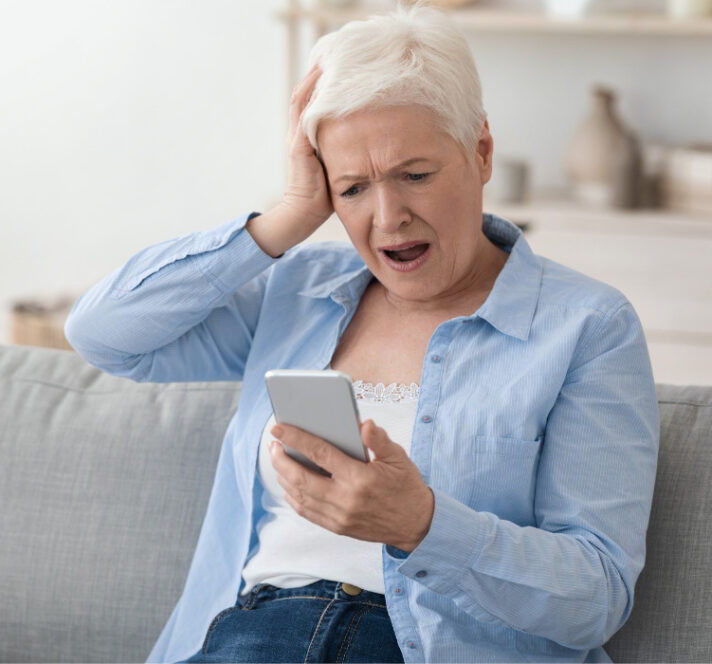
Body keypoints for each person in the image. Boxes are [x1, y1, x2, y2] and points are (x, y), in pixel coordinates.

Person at [64, 4, 659, 663]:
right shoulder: (299, 293)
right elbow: (104, 334)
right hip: (258, 633)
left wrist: (423, 525)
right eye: (352, 189)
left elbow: (596, 596)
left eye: (415, 175)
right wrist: (286, 219)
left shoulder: (586, 326)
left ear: (481, 152)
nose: (388, 217)